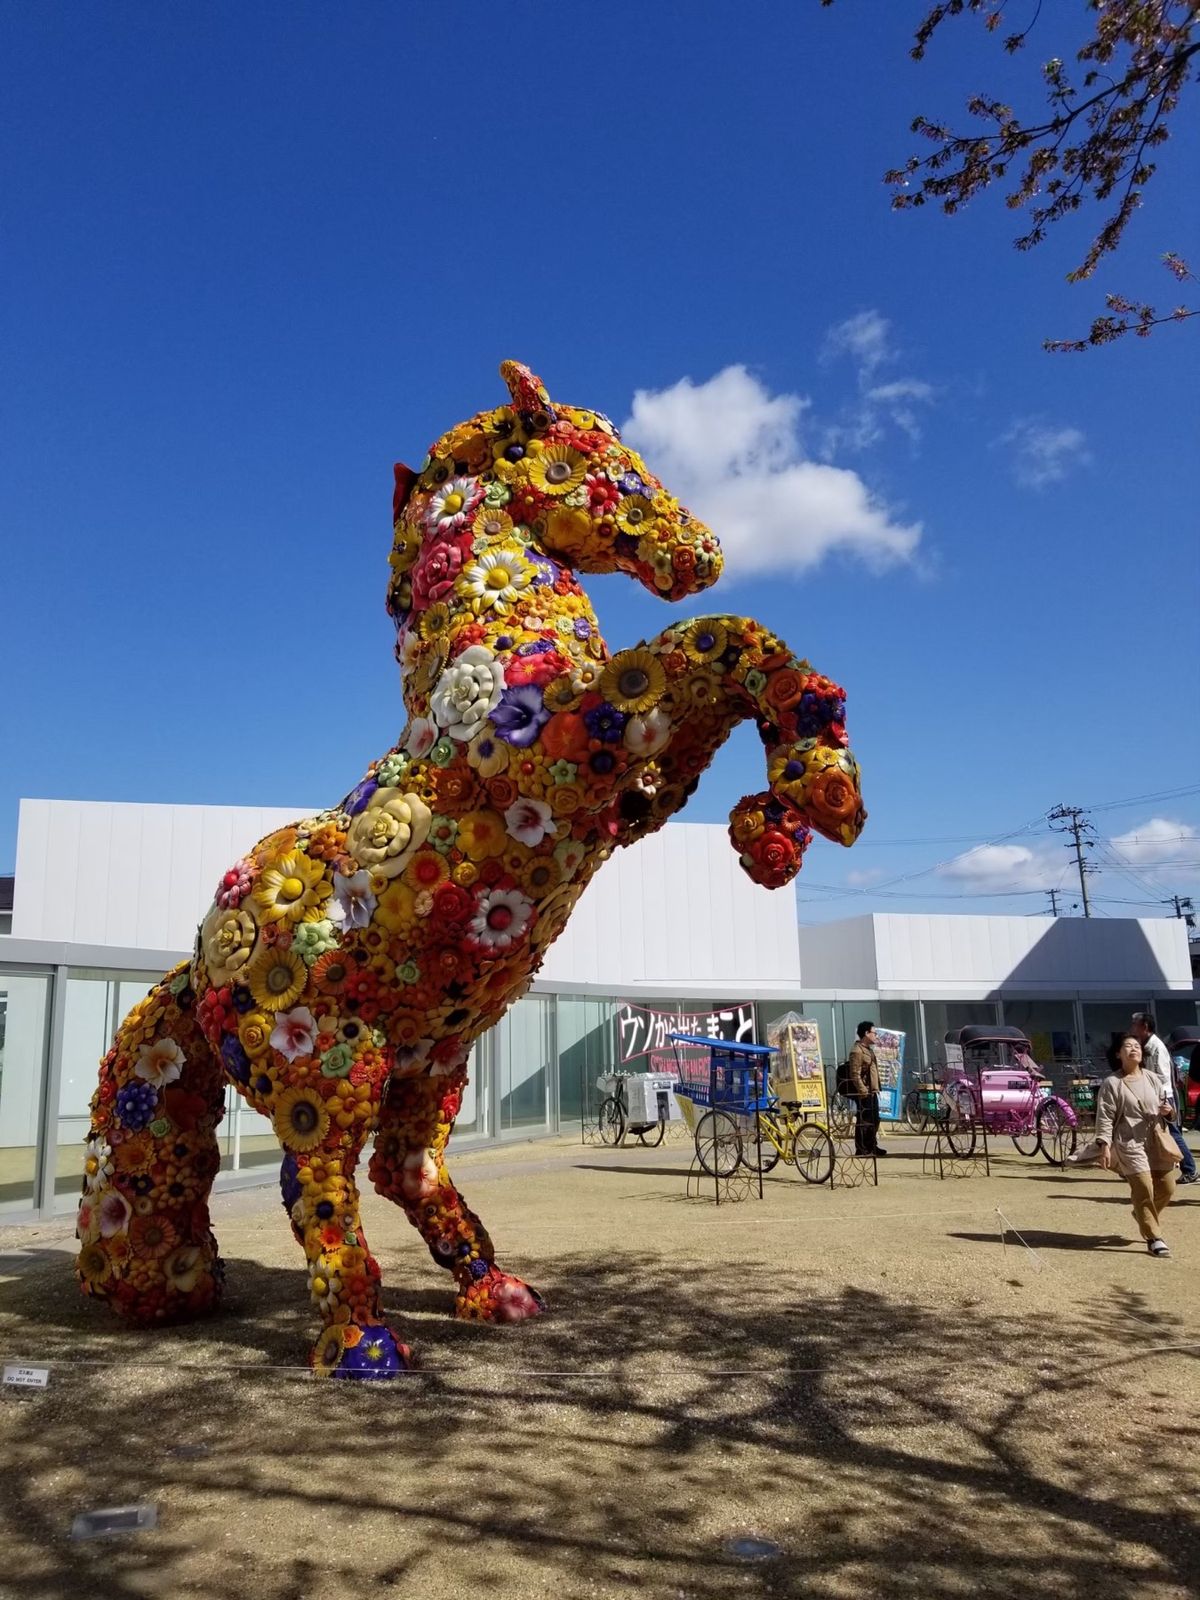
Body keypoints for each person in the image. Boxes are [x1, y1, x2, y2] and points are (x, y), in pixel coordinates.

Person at [1095, 1032, 1178, 1258]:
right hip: (1129, 1142)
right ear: (1118, 1054)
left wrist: (1169, 1112)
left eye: (1137, 1046)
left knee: (1168, 1187)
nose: (1134, 1049)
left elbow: (1168, 1110)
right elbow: (1105, 1116)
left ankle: (1141, 1215)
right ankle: (1154, 1238)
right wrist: (1104, 1144)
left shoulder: (1153, 1078)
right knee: (1143, 1187)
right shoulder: (1112, 1083)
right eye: (1128, 1046)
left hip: (1156, 1139)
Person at [1131, 1012, 1196, 1184]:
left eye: (1135, 1024)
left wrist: (1144, 1083)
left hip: (1163, 1097)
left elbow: (1162, 1077)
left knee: (1172, 1134)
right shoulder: (1146, 1045)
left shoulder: (1156, 1047)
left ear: (1144, 1027)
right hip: (1154, 1096)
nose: (1132, 1028)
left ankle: (1190, 1169)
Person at [846, 1020, 886, 1157]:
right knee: (864, 1120)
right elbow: (854, 1074)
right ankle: (861, 1149)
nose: (876, 1036)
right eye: (874, 1033)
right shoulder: (857, 1051)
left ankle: (872, 1145)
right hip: (864, 1091)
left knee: (874, 1119)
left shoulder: (868, 1050)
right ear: (866, 1033)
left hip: (872, 1090)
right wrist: (863, 1090)